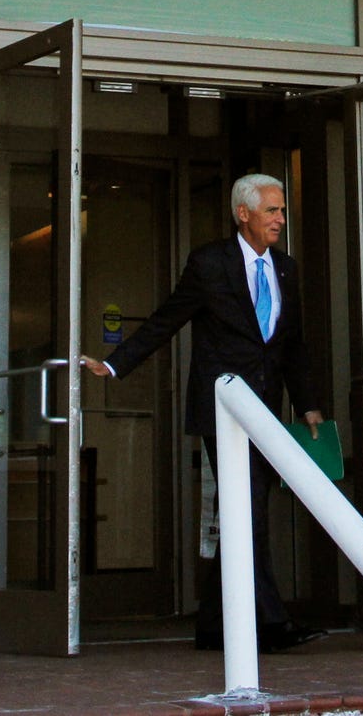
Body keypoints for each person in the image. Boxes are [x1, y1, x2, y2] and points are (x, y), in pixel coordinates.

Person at [84, 171, 323, 651]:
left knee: (243, 509)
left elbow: (290, 345)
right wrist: (114, 364)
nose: (280, 219)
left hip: (268, 410)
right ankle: (272, 625)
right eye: (272, 210)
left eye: (281, 211)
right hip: (224, 410)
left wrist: (309, 404)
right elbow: (168, 318)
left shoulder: (286, 268)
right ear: (244, 213)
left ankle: (215, 626)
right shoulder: (210, 263)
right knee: (249, 508)